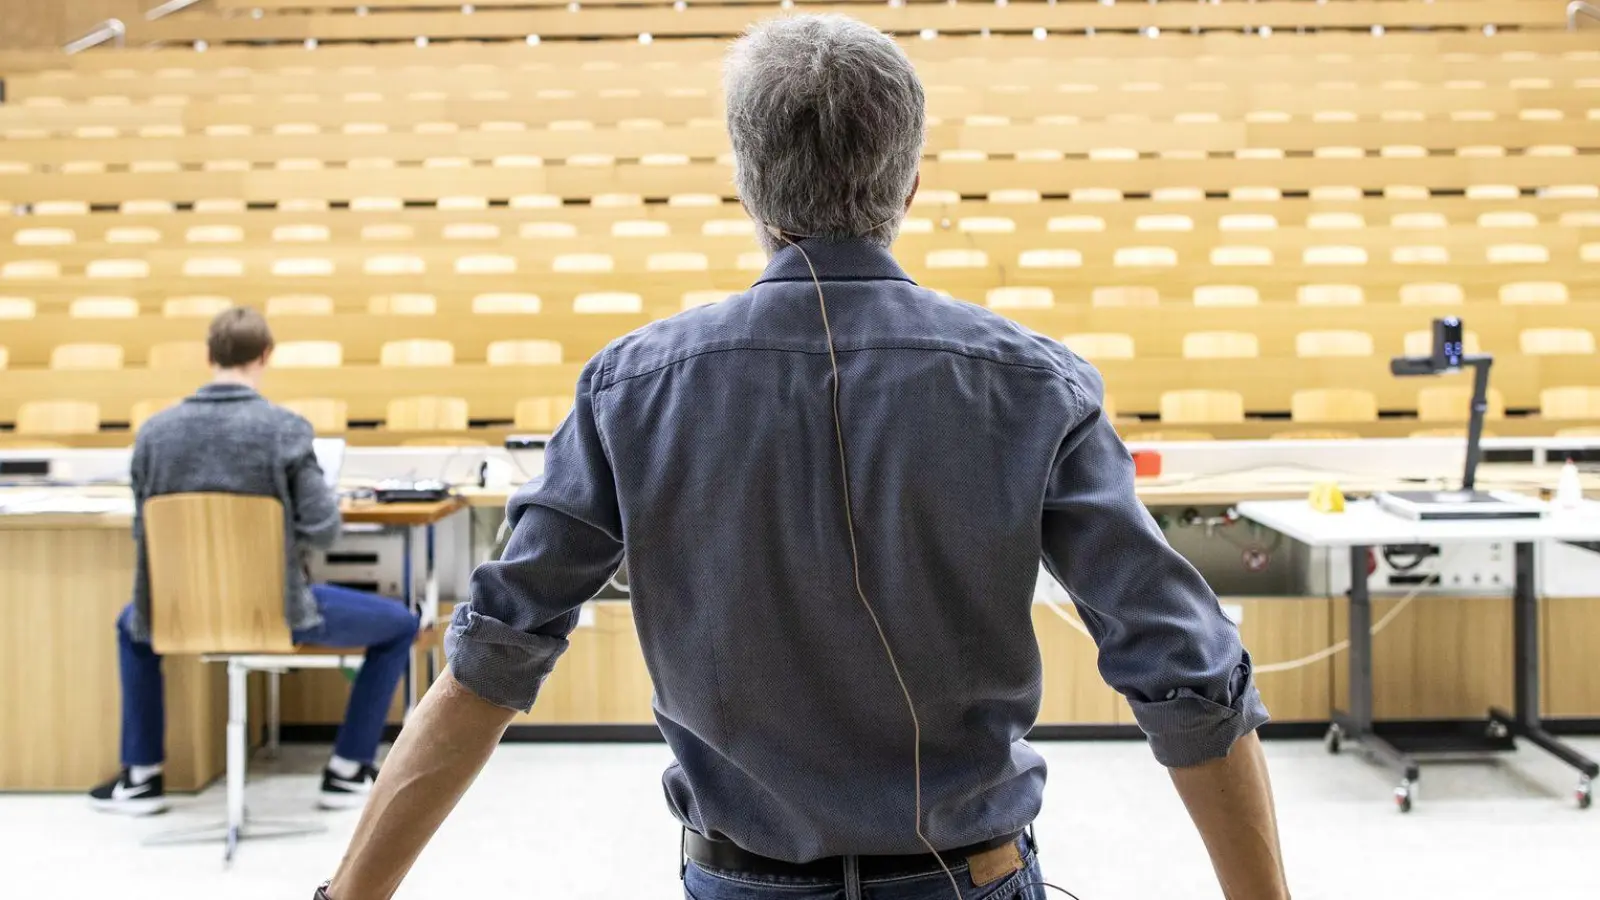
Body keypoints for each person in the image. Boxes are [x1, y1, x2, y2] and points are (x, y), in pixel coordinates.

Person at [316, 14, 1289, 900]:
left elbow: (490, 657)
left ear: (746, 180)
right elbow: (1189, 676)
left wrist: (348, 896)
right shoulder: (1038, 385)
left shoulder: (629, 388)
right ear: (908, 182)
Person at [89, 307, 418, 816]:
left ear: (208, 356)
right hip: (276, 612)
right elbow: (325, 528)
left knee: (132, 625)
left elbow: (144, 532)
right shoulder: (285, 430)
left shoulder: (154, 434)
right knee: (400, 624)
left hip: (179, 614)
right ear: (265, 356)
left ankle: (140, 777)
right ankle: (347, 770)